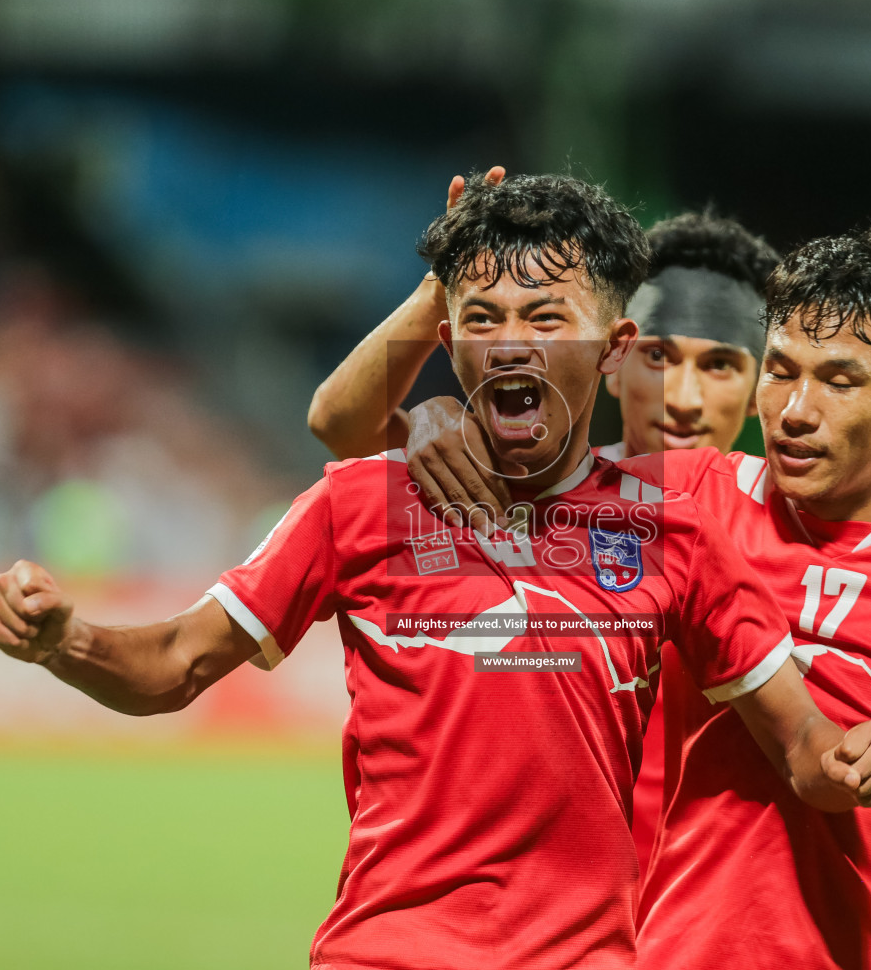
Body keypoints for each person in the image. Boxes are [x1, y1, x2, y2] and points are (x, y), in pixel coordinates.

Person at [0, 173, 871, 970]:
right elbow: (176, 663)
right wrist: (67, 639)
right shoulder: (361, 503)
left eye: (547, 319)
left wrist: (850, 759)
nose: (512, 342)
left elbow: (803, 745)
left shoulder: (677, 528)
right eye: (484, 317)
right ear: (448, 335)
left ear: (613, 350)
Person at [387, 227, 871, 970]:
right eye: (781, 371)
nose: (797, 411)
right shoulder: (687, 498)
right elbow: (365, 439)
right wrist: (433, 410)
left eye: (840, 381)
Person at [308, 177, 780, 871]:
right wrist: (448, 293)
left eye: (718, 365)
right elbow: (338, 424)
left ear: (759, 389)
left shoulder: (793, 530)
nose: (682, 397)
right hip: (559, 912)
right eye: (658, 355)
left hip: (702, 928)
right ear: (614, 356)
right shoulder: (519, 484)